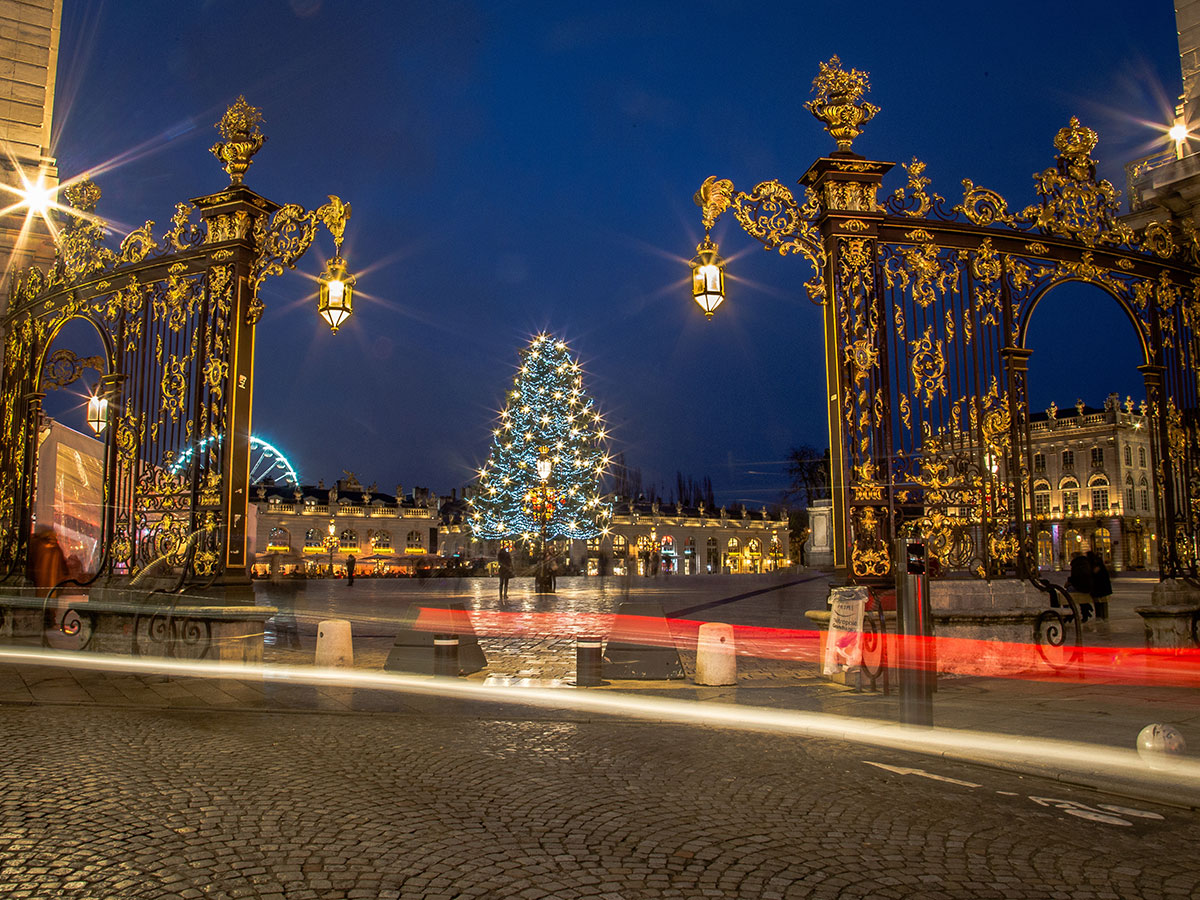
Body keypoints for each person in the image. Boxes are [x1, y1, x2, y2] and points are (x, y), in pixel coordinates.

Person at [1065, 552, 1094, 622]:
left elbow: (1077, 577)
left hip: (1081, 585)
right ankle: (1085, 609)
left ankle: (1069, 612)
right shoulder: (1084, 562)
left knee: (1066, 595)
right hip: (1086, 585)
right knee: (1078, 595)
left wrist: (1069, 582)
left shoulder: (1077, 564)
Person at [1087, 550, 1112, 621]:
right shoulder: (1099, 563)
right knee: (1102, 601)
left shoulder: (1094, 564)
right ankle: (1104, 616)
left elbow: (1094, 573)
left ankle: (1100, 616)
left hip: (1098, 585)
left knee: (1099, 601)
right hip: (1102, 586)